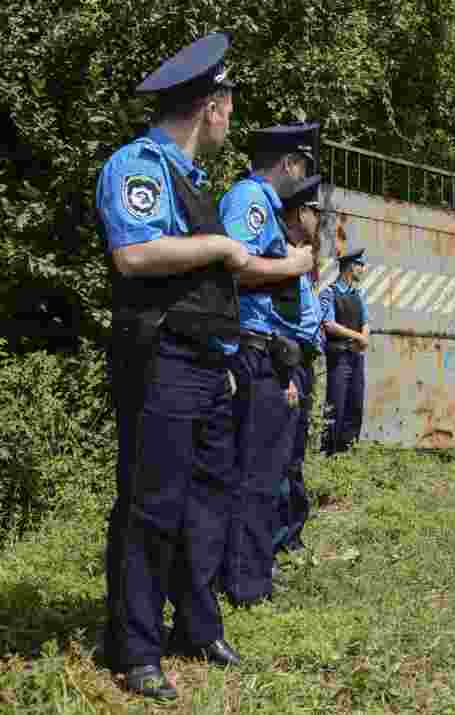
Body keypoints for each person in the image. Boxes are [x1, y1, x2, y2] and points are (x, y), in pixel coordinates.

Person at [96, 32, 248, 700]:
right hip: (162, 359)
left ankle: (195, 624)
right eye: (229, 104)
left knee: (206, 502)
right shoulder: (140, 165)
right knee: (151, 505)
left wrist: (227, 357)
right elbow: (134, 255)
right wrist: (217, 243)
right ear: (209, 105)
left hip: (207, 364)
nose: (231, 117)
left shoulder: (191, 180)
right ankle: (134, 647)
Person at [216, 124, 318, 606]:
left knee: (263, 469)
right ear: (289, 165)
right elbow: (234, 266)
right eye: (301, 168)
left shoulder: (262, 206)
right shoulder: (250, 201)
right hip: (250, 351)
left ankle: (247, 574)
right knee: (256, 474)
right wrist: (292, 267)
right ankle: (245, 584)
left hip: (265, 349)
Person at [272, 173, 328, 555]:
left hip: (301, 362)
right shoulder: (282, 258)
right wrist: (286, 372)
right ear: (300, 212)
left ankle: (291, 535)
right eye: (315, 212)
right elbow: (273, 318)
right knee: (280, 459)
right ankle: (274, 543)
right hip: (286, 361)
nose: (320, 220)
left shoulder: (302, 258)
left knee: (293, 456)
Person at [320, 248, 370, 454]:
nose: (362, 269)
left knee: (355, 405)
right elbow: (329, 324)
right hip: (339, 356)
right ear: (350, 267)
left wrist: (364, 335)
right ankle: (329, 451)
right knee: (336, 405)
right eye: (360, 265)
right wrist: (358, 336)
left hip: (356, 357)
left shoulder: (357, 295)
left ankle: (347, 452)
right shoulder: (330, 293)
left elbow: (366, 320)